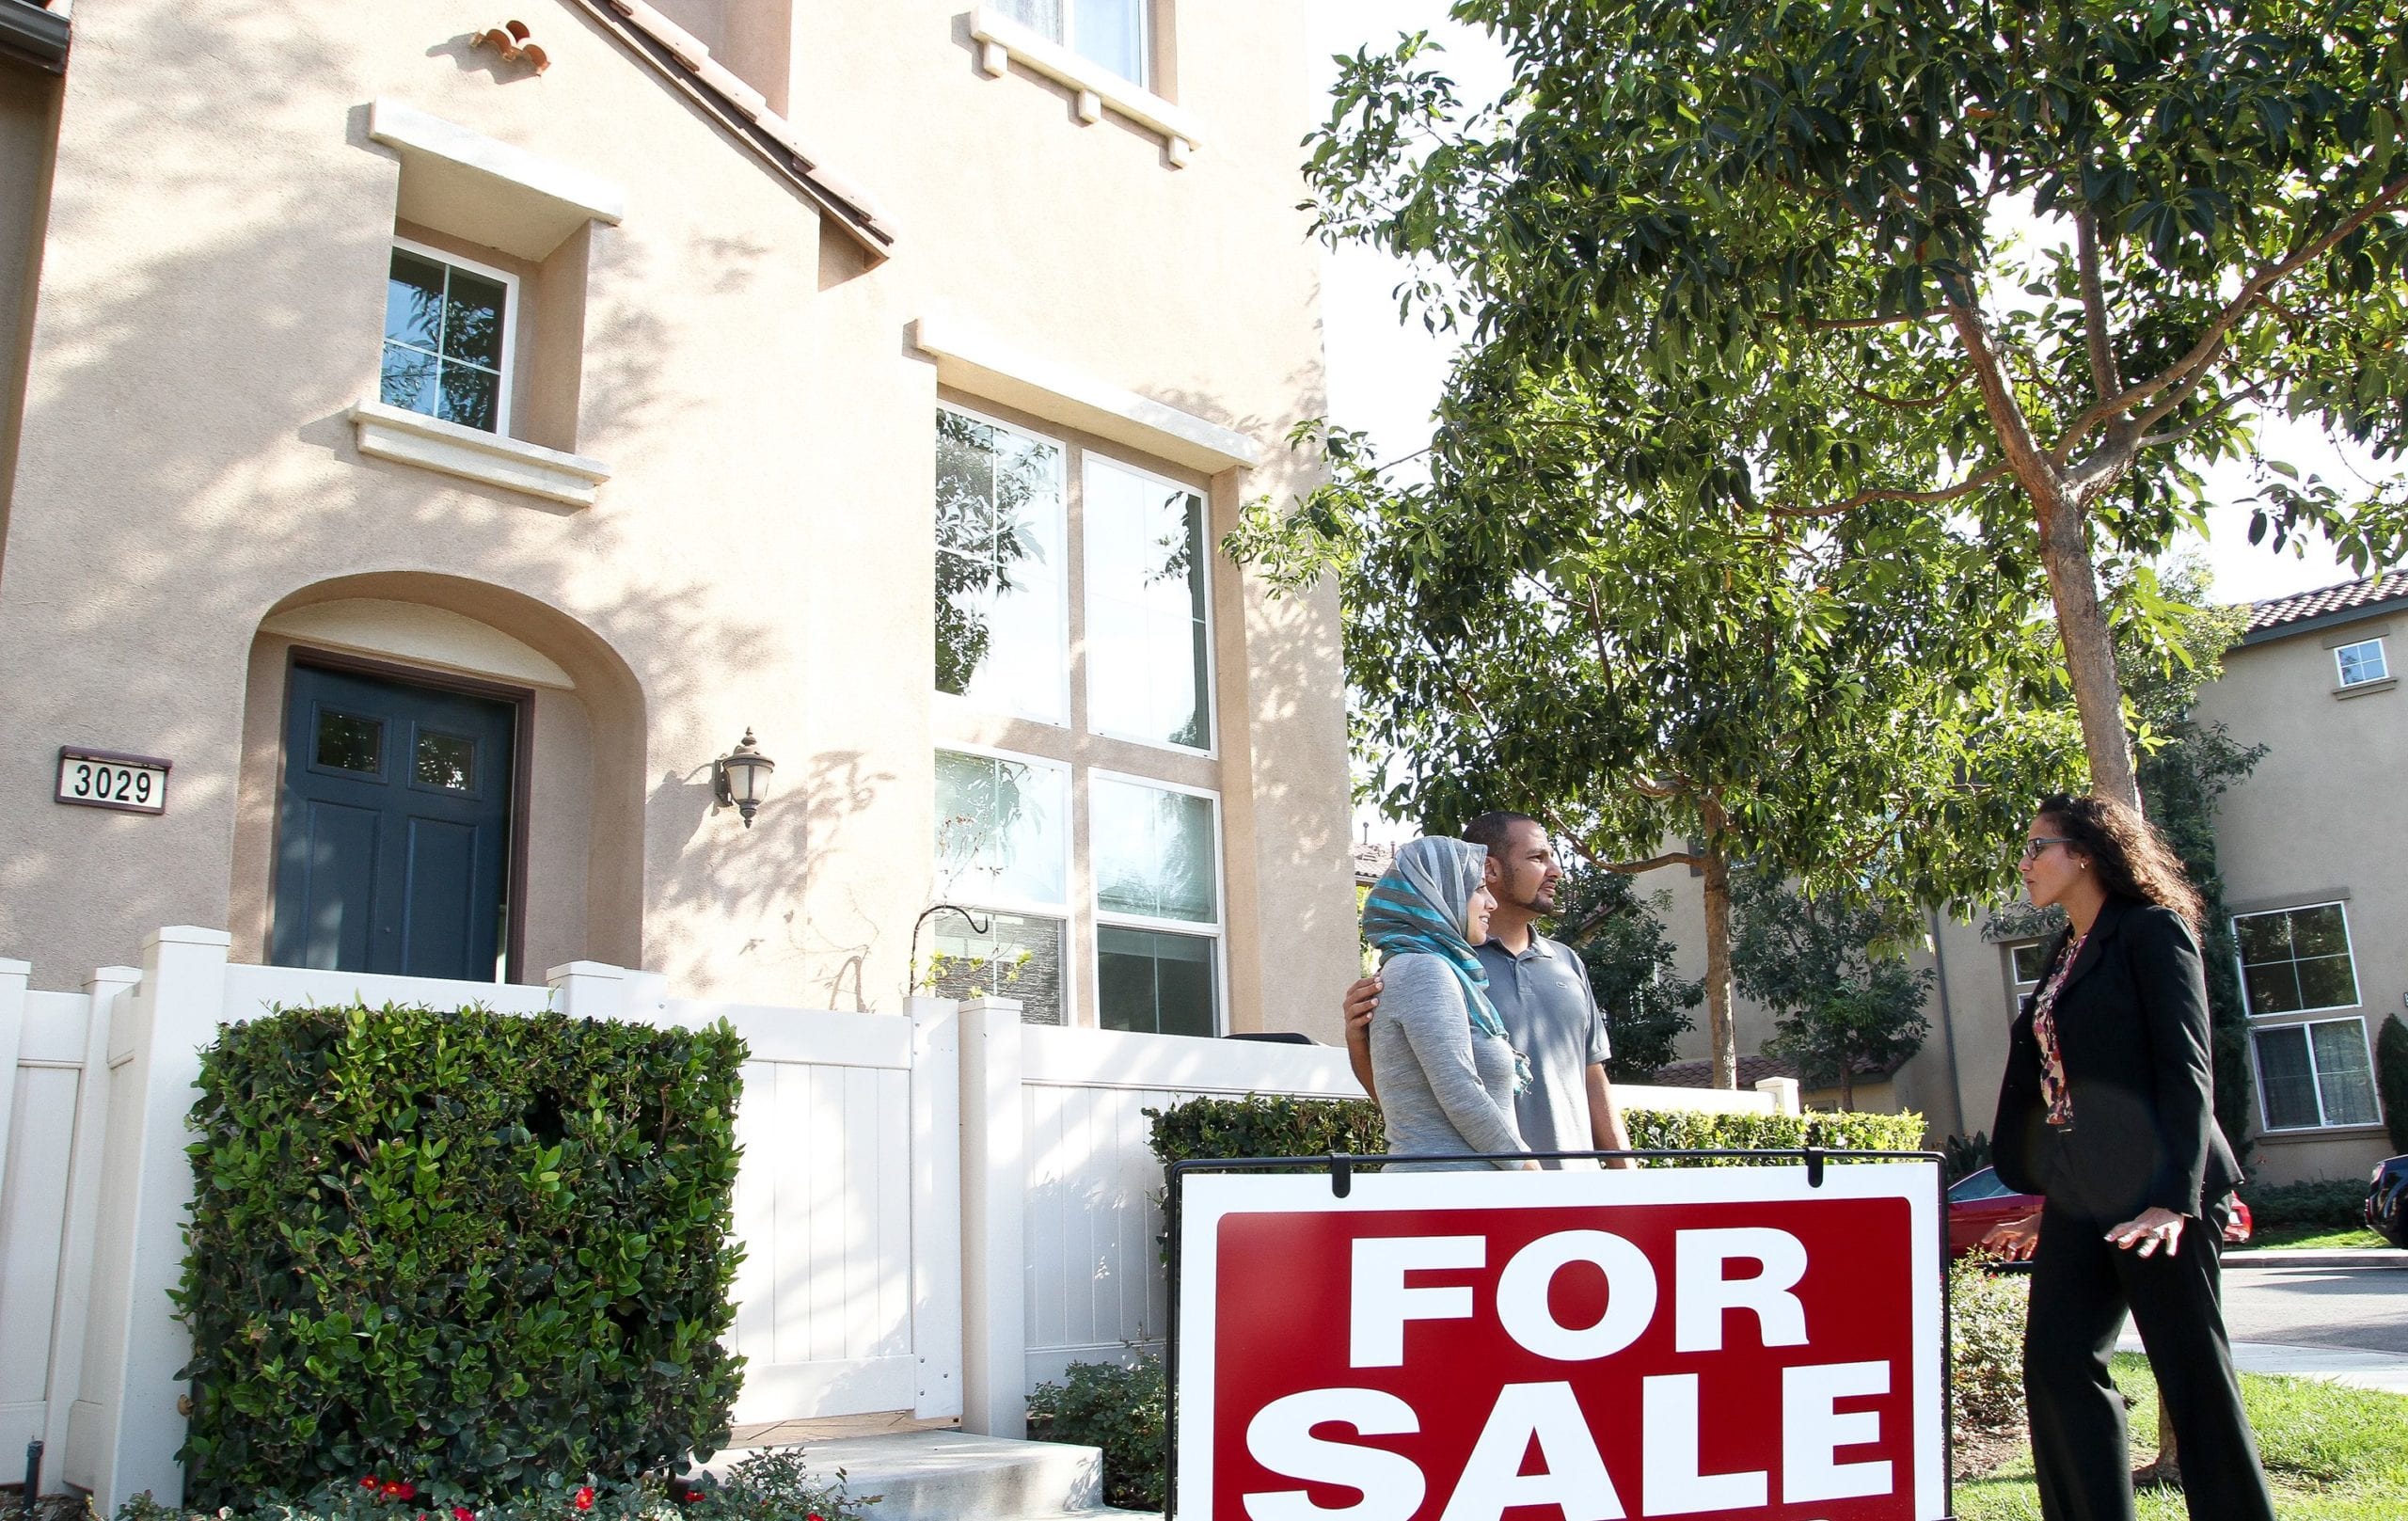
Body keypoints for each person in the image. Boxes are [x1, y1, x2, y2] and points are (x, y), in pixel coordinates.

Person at [1980, 793, 2275, 1521]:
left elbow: (2187, 1070)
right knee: (2056, 1361)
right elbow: (2071, 1092)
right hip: (2087, 1189)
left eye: (2037, 844)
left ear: (2084, 851)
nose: (2025, 861)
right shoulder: (2065, 952)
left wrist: (2175, 1196)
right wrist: (2057, 1202)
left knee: (2193, 1376)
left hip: (2163, 1189)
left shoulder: (2152, 931)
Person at [1345, 812, 1635, 1168]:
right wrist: (1530, 1172)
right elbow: (1423, 1092)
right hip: (1480, 1194)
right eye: (1537, 857)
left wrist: (1628, 1179)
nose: (1556, 871)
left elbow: (1593, 1077)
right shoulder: (1428, 969)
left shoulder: (1566, 962)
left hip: (1555, 1192)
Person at [1359, 835, 1536, 1170]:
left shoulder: (1428, 969)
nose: (1491, 903)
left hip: (1454, 1193)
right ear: (1439, 893)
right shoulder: (1423, 970)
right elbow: (1460, 1091)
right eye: (1478, 889)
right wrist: (1530, 1170)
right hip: (1447, 1198)